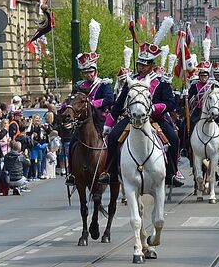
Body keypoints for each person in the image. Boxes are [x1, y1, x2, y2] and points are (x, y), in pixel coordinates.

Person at [102, 34, 185, 187]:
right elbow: (119, 104)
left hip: (156, 118)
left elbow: (170, 103)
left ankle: (172, 173)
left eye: (145, 65)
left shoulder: (161, 81)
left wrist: (154, 108)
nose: (141, 68)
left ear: (152, 65)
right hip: (133, 118)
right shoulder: (131, 80)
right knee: (113, 137)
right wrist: (108, 123)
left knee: (174, 139)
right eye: (140, 64)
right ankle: (110, 172)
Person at [65, 25, 114, 186]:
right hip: (83, 120)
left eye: (91, 71)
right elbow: (72, 100)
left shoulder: (104, 84)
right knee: (73, 143)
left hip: (101, 119)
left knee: (113, 141)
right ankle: (72, 173)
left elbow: (109, 99)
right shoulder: (80, 86)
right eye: (86, 72)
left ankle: (111, 170)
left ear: (95, 70)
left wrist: (92, 104)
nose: (89, 75)